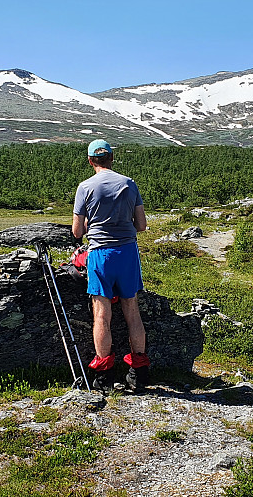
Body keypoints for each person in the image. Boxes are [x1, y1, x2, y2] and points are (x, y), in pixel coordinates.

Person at [72, 139, 149, 393]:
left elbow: (77, 232)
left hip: (100, 255)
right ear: (112, 158)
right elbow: (141, 226)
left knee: (102, 313)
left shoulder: (85, 187)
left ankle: (104, 375)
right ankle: (138, 371)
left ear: (90, 160)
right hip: (127, 252)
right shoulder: (129, 184)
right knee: (132, 310)